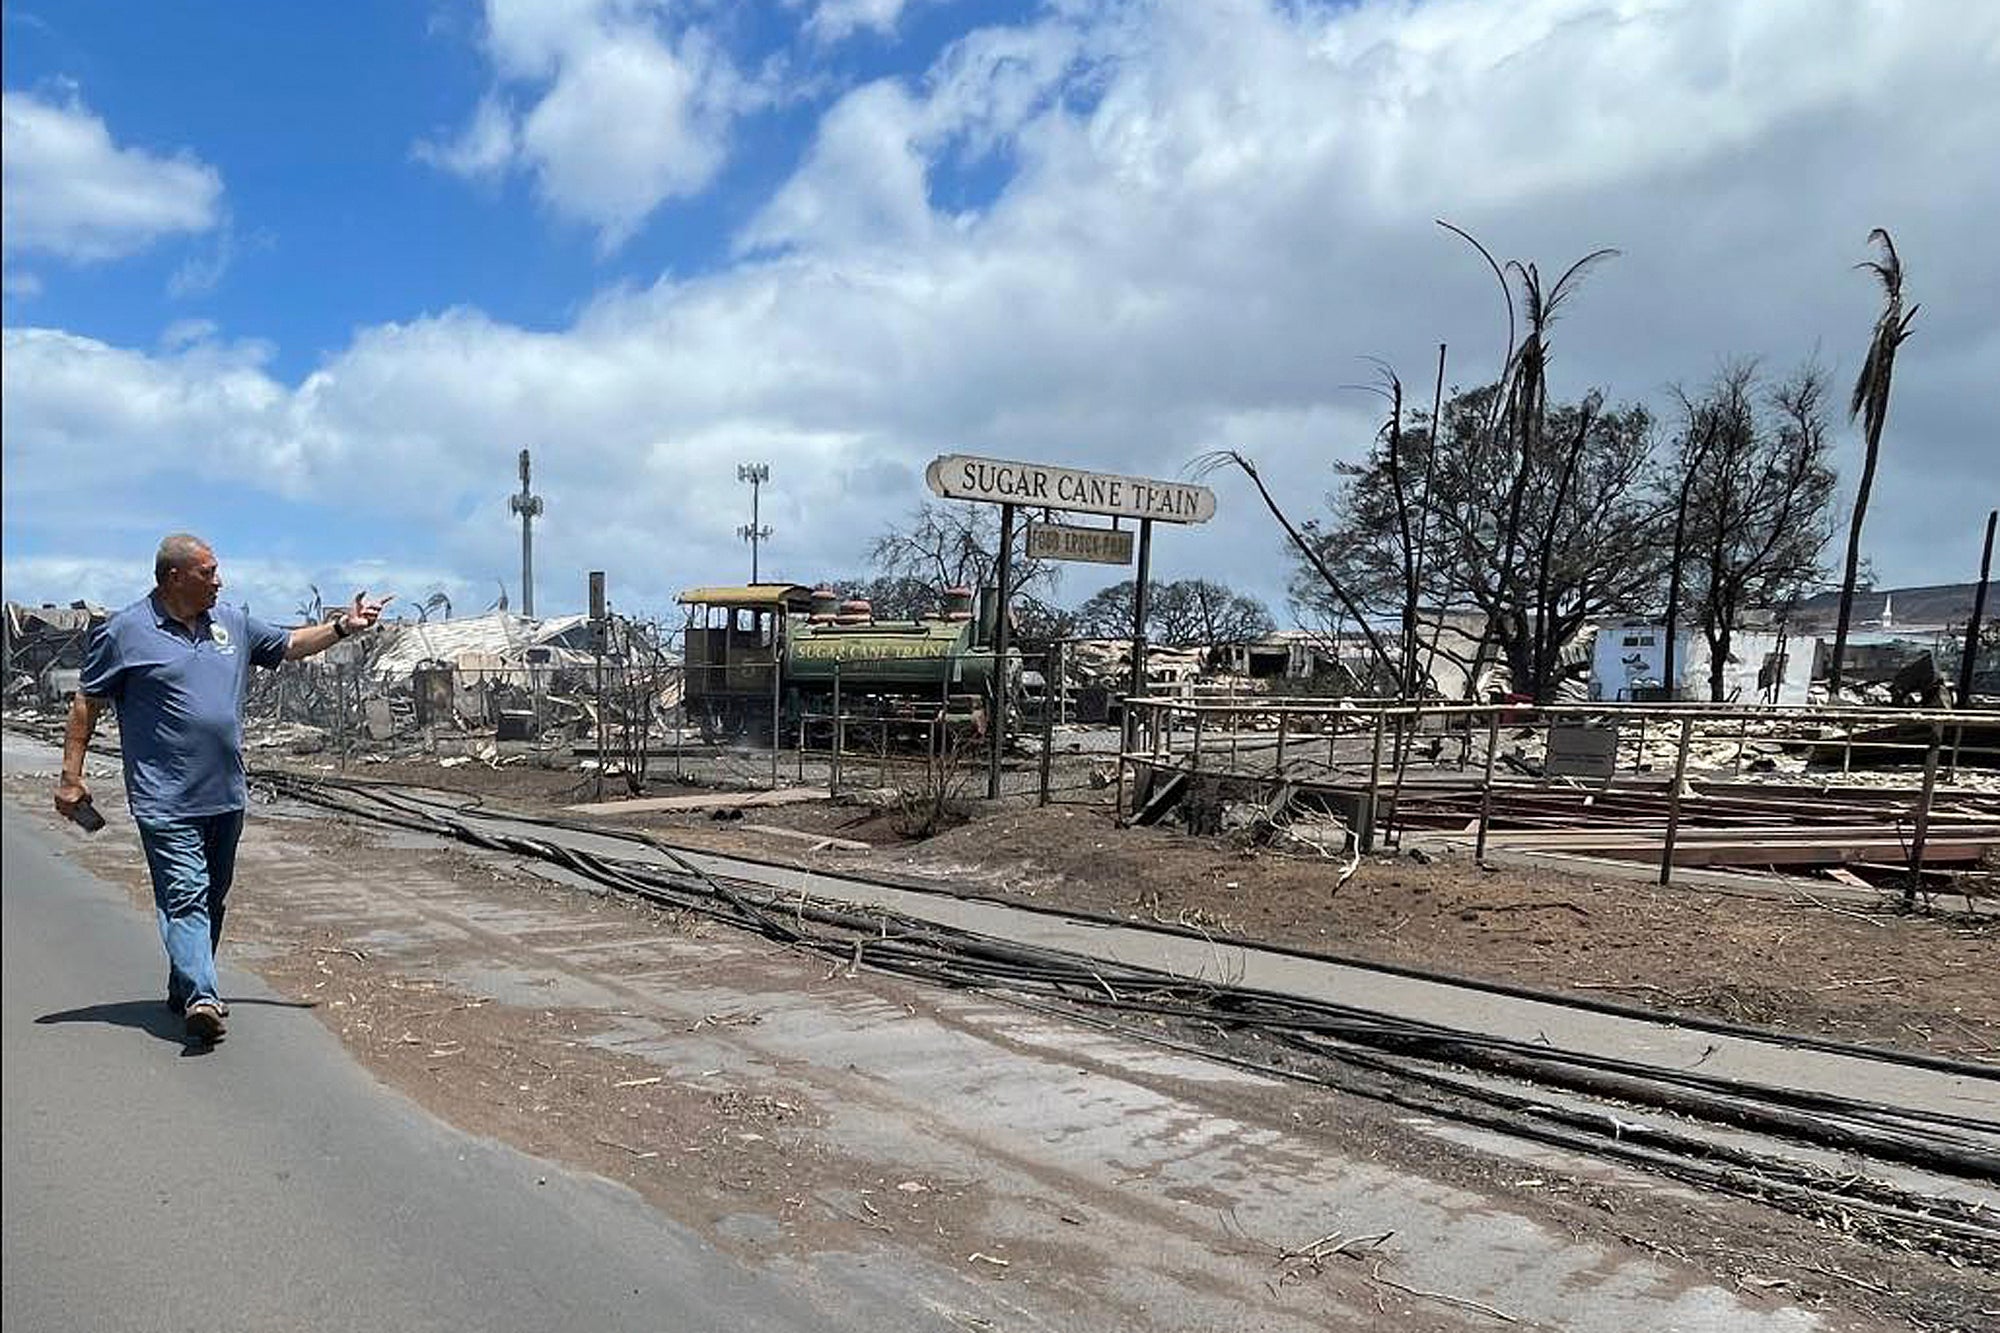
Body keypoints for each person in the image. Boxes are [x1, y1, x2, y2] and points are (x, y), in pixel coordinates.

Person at [54, 533, 393, 1045]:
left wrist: (344, 626)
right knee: (186, 892)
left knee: (210, 898)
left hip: (225, 794)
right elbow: (87, 703)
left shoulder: (229, 623)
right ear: (174, 578)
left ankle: (183, 983)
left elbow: (289, 645)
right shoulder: (125, 632)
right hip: (163, 797)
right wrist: (70, 776)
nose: (219, 581)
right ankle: (203, 996)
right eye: (208, 572)